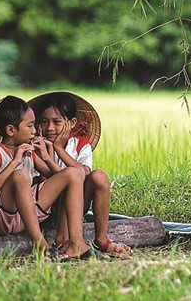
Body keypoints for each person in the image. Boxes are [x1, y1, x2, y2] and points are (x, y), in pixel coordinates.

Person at [0, 95, 93, 260]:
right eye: (30, 126)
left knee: (74, 173)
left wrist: (47, 157)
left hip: (25, 215)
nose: (35, 131)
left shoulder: (29, 151)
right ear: (11, 130)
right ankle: (40, 244)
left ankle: (76, 243)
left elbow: (61, 180)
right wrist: (15, 162)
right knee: (19, 176)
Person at [30, 91, 133, 259]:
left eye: (56, 122)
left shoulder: (80, 144)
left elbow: (83, 173)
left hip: (75, 207)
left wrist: (59, 149)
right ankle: (63, 239)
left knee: (99, 176)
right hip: (45, 208)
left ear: (71, 123)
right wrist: (48, 156)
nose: (49, 128)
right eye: (44, 122)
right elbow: (48, 181)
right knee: (69, 183)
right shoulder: (36, 145)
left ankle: (101, 238)